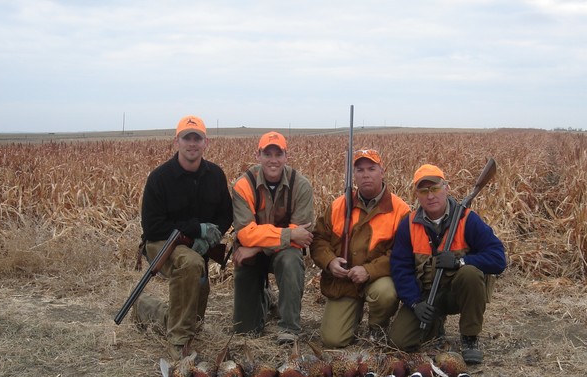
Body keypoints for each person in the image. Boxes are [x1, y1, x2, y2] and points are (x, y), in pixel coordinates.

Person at [134, 115, 233, 359]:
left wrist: (211, 237)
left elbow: (226, 215)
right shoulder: (160, 177)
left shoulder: (215, 175)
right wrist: (195, 230)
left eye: (197, 138)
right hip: (162, 243)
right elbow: (152, 226)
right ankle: (178, 342)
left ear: (205, 142)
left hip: (196, 247)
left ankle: (145, 308)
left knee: (194, 320)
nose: (192, 143)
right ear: (176, 141)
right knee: (191, 264)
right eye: (186, 138)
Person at [388, 164, 506, 363]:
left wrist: (460, 261)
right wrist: (415, 303)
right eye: (423, 191)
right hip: (427, 296)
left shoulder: (467, 219)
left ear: (446, 188)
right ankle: (436, 323)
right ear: (417, 194)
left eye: (435, 188)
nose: (430, 196)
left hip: (456, 294)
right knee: (399, 342)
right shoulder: (408, 225)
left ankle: (469, 337)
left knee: (470, 273)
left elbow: (498, 258)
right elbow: (400, 269)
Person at [310, 149, 410, 348]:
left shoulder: (401, 210)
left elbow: (402, 254)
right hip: (345, 283)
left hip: (378, 278)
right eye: (360, 170)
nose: (366, 174)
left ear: (382, 171)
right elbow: (319, 239)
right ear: (353, 174)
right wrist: (330, 261)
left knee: (386, 293)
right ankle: (351, 320)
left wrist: (368, 270)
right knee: (333, 340)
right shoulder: (338, 205)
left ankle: (377, 328)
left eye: (372, 168)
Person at [231, 131, 314, 345]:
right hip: (250, 256)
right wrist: (288, 234)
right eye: (268, 154)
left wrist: (257, 247)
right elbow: (244, 232)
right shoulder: (243, 185)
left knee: (291, 260)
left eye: (279, 154)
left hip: (274, 253)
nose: (273, 160)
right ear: (257, 156)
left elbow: (302, 237)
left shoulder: (301, 185)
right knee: (246, 331)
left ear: (287, 156)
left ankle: (289, 329)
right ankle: (267, 299)